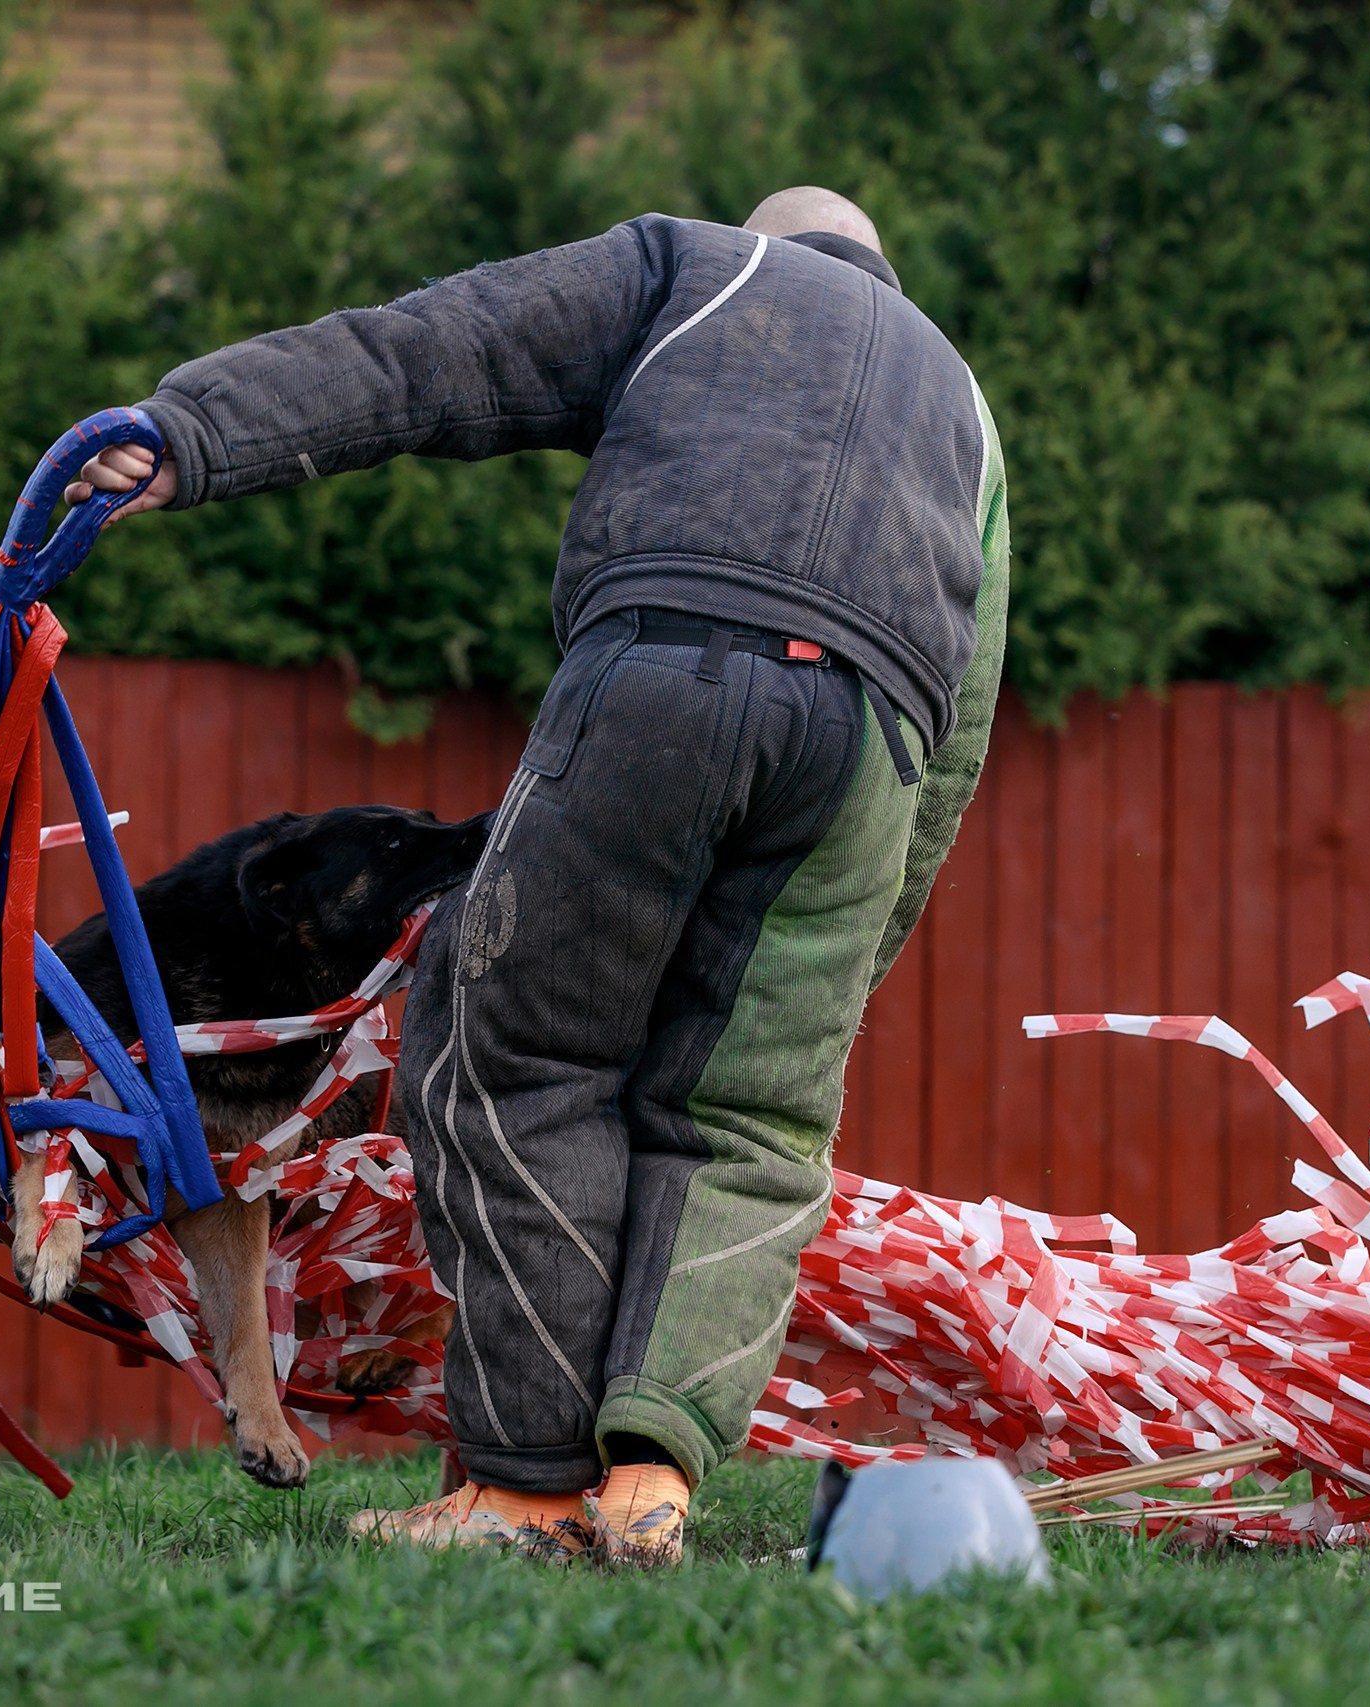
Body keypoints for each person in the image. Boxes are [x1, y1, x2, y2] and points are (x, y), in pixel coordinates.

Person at [70, 186, 1009, 1565]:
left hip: (663, 662)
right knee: (751, 1119)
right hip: (873, 741)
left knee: (518, 1046)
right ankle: (651, 1486)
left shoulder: (694, 269)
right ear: (887, 271)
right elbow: (967, 724)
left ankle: (523, 1487)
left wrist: (197, 431)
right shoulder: (968, 413)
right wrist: (845, 959)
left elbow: (434, 351)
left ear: (770, 239)